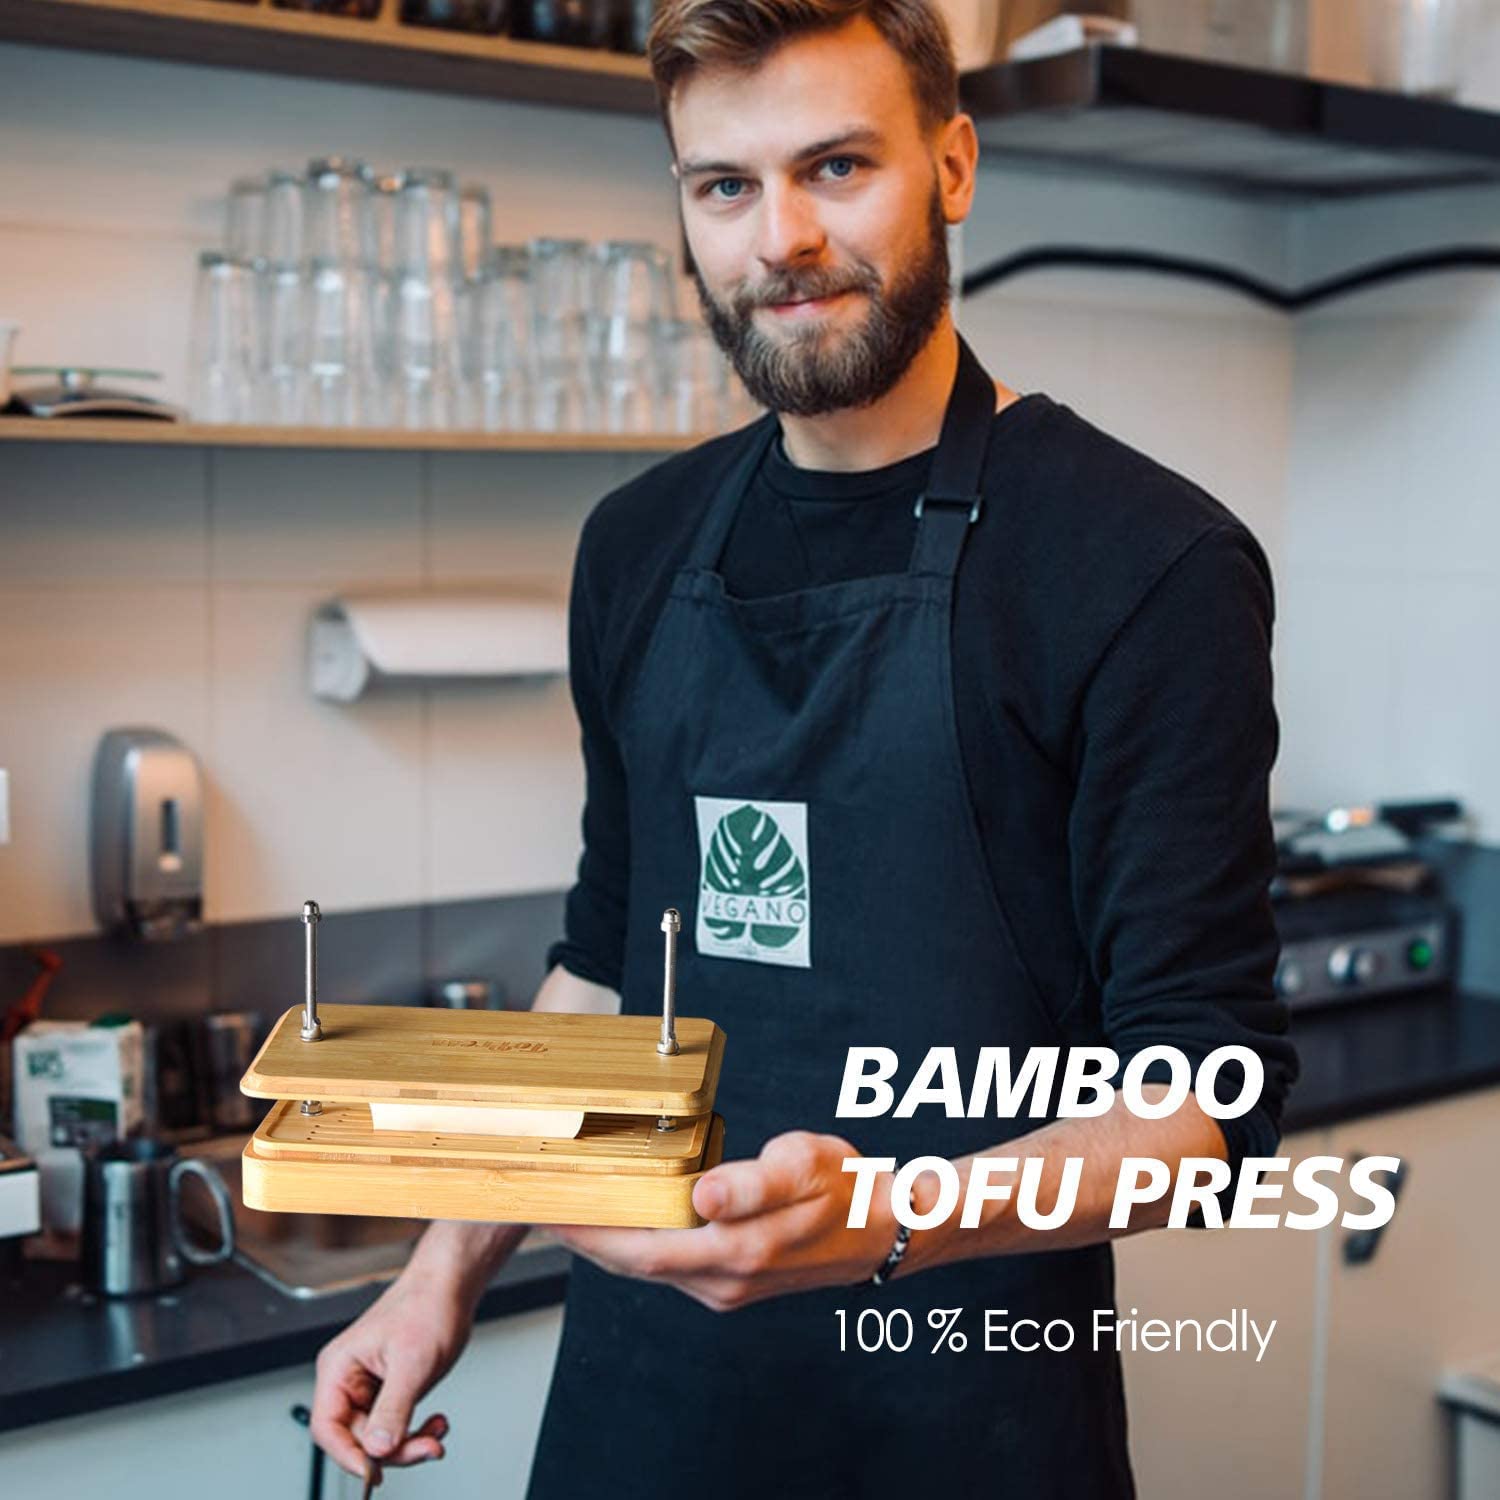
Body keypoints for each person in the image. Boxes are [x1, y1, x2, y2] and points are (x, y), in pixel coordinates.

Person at [310, 0, 1300, 1494]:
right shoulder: (636, 546)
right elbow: (602, 969)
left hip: (966, 1421)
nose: (779, 237)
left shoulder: (1144, 562)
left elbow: (1204, 1099)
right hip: (643, 1408)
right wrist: (439, 1271)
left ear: (952, 166)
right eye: (725, 186)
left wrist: (888, 1218)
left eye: (837, 168)